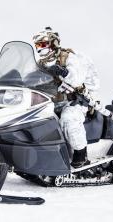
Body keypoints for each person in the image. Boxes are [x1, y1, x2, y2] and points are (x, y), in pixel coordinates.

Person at [33, 27, 100, 168]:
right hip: (52, 100)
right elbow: (32, 79)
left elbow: (77, 78)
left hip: (75, 100)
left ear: (53, 43)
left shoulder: (68, 57)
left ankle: (81, 156)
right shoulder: (41, 63)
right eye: (37, 45)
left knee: (69, 119)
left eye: (43, 44)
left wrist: (64, 72)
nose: (40, 48)